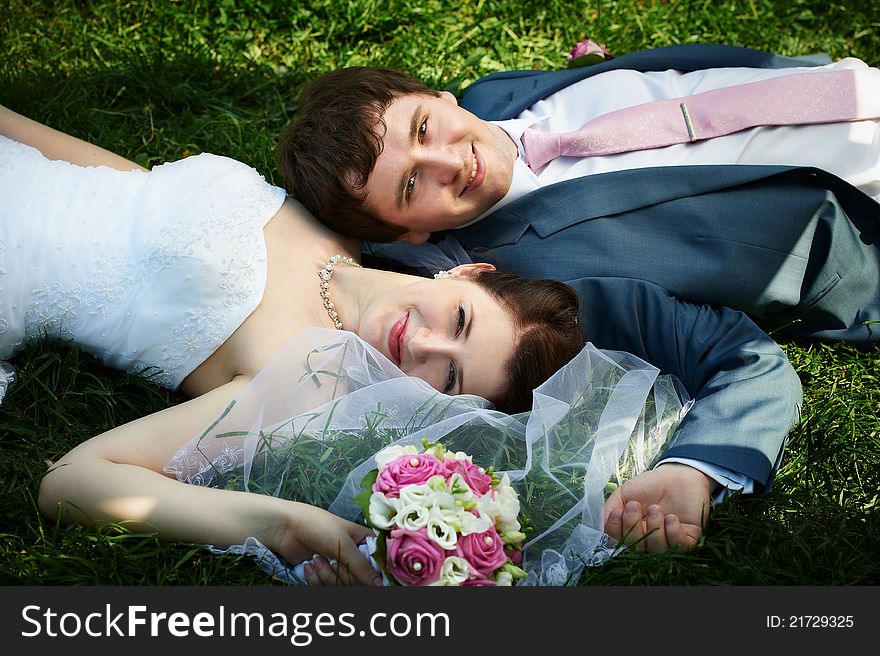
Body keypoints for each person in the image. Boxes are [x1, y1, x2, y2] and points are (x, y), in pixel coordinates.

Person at [0, 104, 584, 416]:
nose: (425, 344)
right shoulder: (326, 224)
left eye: (449, 376)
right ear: (465, 272)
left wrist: (293, 527)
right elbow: (132, 189)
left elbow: (75, 482)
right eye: (460, 321)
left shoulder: (304, 385)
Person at [278, 43, 880, 344]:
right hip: (858, 204)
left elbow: (671, 75)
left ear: (438, 98)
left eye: (423, 129)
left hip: (838, 86)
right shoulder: (543, 269)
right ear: (410, 232)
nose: (449, 161)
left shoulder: (495, 96)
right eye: (411, 185)